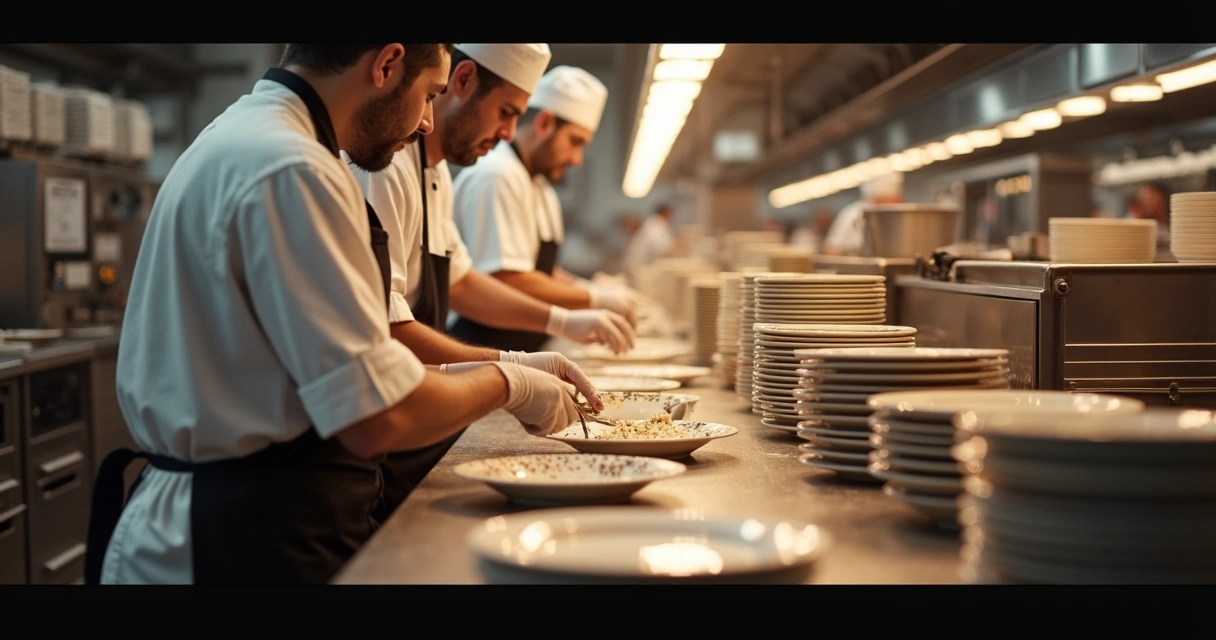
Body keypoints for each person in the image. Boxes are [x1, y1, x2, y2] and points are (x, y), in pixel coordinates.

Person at [85, 44, 587, 585]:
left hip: (258, 512)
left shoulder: (257, 136)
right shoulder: (292, 169)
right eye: (428, 96)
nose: (425, 122)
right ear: (386, 64)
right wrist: (508, 382)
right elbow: (377, 417)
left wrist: (511, 365)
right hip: (231, 537)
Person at [345, 43, 625, 518]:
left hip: (417, 409)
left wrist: (559, 322)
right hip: (384, 425)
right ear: (463, 80)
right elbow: (387, 326)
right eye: (506, 112)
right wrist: (509, 372)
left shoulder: (436, 177)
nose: (508, 132)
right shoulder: (385, 167)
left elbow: (464, 281)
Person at [450, 65, 639, 352]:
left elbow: (542, 270)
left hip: (521, 346)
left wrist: (588, 286)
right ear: (544, 123)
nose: (577, 159)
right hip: (479, 347)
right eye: (575, 142)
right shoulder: (497, 176)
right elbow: (506, 279)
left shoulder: (540, 187)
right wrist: (592, 297)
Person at [821, 171, 904, 255]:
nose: (894, 205)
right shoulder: (852, 214)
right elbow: (831, 249)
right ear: (874, 199)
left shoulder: (901, 216)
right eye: (887, 201)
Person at [621, 202, 676, 278]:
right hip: (639, 270)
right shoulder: (656, 225)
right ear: (666, 213)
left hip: (636, 268)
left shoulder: (652, 224)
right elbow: (663, 249)